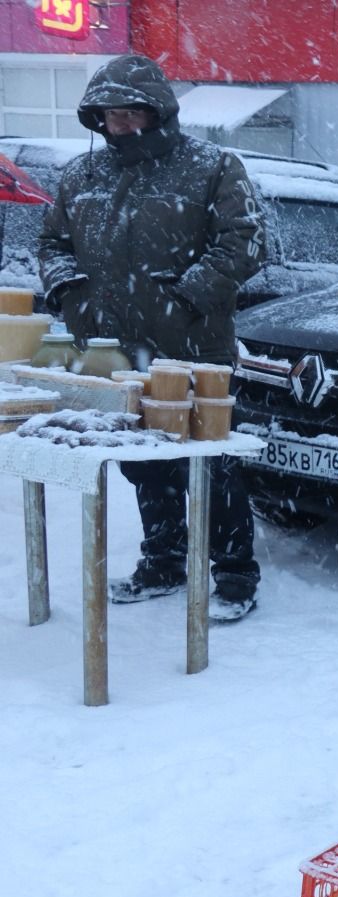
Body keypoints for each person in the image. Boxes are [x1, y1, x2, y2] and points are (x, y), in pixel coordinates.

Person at [39, 55, 267, 622]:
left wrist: (187, 295)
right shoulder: (80, 176)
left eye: (130, 111)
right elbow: (51, 245)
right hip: (115, 352)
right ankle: (164, 560)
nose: (119, 123)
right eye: (109, 114)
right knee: (142, 463)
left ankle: (235, 574)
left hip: (196, 352)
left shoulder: (212, 168)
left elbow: (244, 243)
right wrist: (68, 288)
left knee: (210, 462)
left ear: (158, 110)